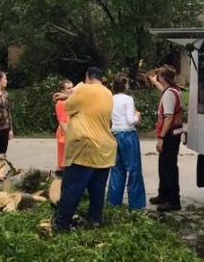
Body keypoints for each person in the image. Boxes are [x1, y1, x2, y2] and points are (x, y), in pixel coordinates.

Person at [53, 67, 117, 231]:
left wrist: (72, 93)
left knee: (72, 188)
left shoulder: (83, 91)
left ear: (87, 77)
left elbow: (69, 108)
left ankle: (61, 224)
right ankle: (94, 220)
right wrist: (70, 93)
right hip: (105, 151)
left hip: (84, 148)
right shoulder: (108, 93)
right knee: (97, 190)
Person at [148, 65, 183, 212]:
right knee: (164, 165)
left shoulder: (169, 94)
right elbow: (164, 92)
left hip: (169, 134)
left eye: (159, 76)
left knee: (168, 167)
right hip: (175, 133)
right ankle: (163, 195)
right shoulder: (173, 90)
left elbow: (168, 117)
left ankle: (173, 200)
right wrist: (155, 82)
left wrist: (161, 137)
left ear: (163, 78)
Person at [107, 73, 146, 210]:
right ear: (125, 86)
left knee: (117, 170)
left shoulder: (110, 99)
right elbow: (131, 120)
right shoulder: (128, 99)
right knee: (134, 170)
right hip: (128, 135)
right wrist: (138, 115)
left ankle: (113, 203)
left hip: (114, 134)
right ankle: (136, 205)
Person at [53, 79, 74, 175]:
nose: (71, 89)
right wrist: (70, 136)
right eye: (68, 88)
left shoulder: (70, 100)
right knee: (63, 163)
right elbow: (62, 122)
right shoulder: (60, 103)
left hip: (70, 133)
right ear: (63, 90)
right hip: (64, 136)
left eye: (72, 87)